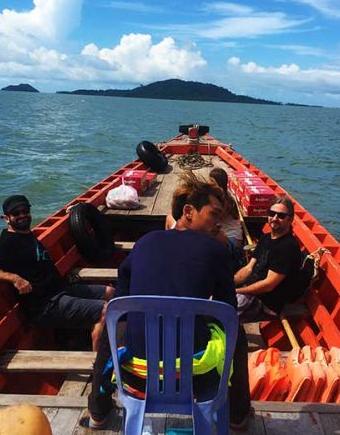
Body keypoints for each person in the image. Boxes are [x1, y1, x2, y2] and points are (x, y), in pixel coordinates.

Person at [88, 174, 252, 430]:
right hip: (196, 377)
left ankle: (97, 412)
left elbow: (117, 304)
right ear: (188, 211)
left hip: (137, 374)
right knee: (237, 333)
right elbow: (228, 311)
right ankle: (238, 416)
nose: (219, 223)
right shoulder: (217, 251)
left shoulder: (144, 243)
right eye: (213, 214)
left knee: (112, 323)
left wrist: (101, 325)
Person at [0, 195, 113, 350]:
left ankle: (107, 340)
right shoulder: (6, 242)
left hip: (60, 291)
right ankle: (99, 366)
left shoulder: (27, 235)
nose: (22, 215)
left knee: (111, 292)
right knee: (105, 310)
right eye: (16, 213)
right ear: (6, 218)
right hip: (45, 306)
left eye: (25, 211)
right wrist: (14, 278)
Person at [234, 196, 311, 322]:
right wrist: (229, 284)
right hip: (251, 291)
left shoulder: (287, 247)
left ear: (290, 219)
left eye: (281, 216)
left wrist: (237, 291)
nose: (275, 218)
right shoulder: (265, 238)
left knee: (217, 313)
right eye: (272, 213)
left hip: (266, 303)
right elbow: (249, 268)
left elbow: (268, 285)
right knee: (213, 299)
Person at [209, 167, 244, 250]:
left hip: (231, 238)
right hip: (227, 235)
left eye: (212, 182)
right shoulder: (225, 193)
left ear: (219, 183)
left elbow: (214, 221)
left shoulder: (224, 199)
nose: (209, 184)